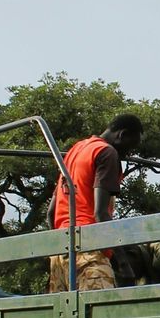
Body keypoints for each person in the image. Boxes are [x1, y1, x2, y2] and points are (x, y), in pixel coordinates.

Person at [49, 114, 142, 291]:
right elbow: (100, 213)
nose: (129, 154)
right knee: (100, 315)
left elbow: (51, 211)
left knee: (66, 316)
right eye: (130, 147)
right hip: (89, 248)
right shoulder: (107, 152)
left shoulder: (76, 150)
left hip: (60, 250)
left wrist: (56, 247)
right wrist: (123, 263)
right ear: (122, 135)